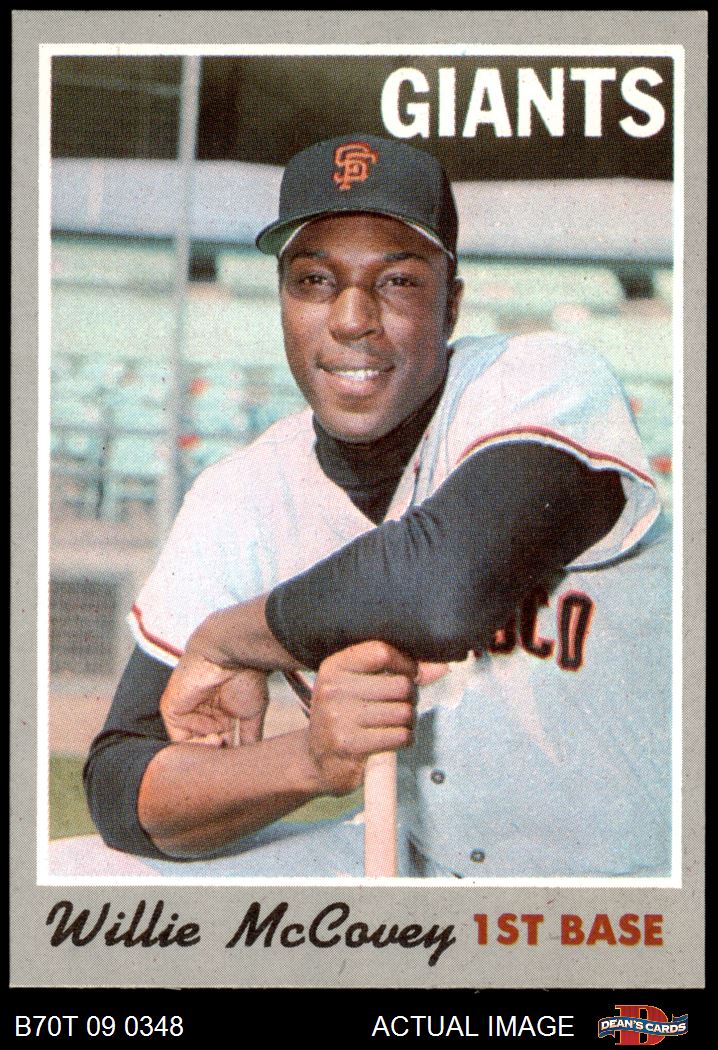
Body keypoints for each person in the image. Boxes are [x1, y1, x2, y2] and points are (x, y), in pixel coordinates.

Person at [80, 133, 672, 878]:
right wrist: (308, 759)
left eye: (396, 281)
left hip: (636, 888)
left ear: (450, 305)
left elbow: (439, 591)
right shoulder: (244, 491)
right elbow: (120, 784)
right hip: (423, 871)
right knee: (86, 873)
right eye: (314, 281)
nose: (351, 318)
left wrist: (230, 639)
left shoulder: (543, 380)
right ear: (283, 302)